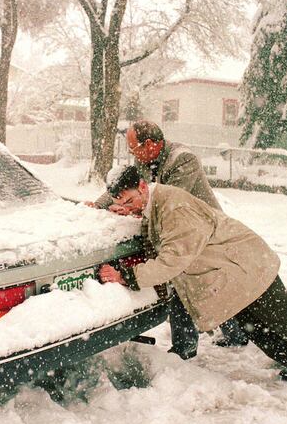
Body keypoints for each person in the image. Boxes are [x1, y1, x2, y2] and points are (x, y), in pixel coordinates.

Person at [97, 166, 287, 388]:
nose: (129, 205)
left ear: (143, 187)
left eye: (130, 199)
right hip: (233, 277)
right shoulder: (155, 204)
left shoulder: (174, 206)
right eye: (122, 201)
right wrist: (133, 215)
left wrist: (127, 277)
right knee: (260, 331)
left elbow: (173, 259)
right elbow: (162, 238)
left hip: (248, 270)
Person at [89, 120, 248, 359]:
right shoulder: (144, 159)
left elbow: (166, 201)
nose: (133, 154)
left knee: (195, 283)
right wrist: (99, 205)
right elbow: (128, 184)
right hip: (179, 231)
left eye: (134, 149)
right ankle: (234, 332)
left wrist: (133, 209)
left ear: (151, 144)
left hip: (204, 232)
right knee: (200, 283)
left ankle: (188, 346)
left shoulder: (183, 160)